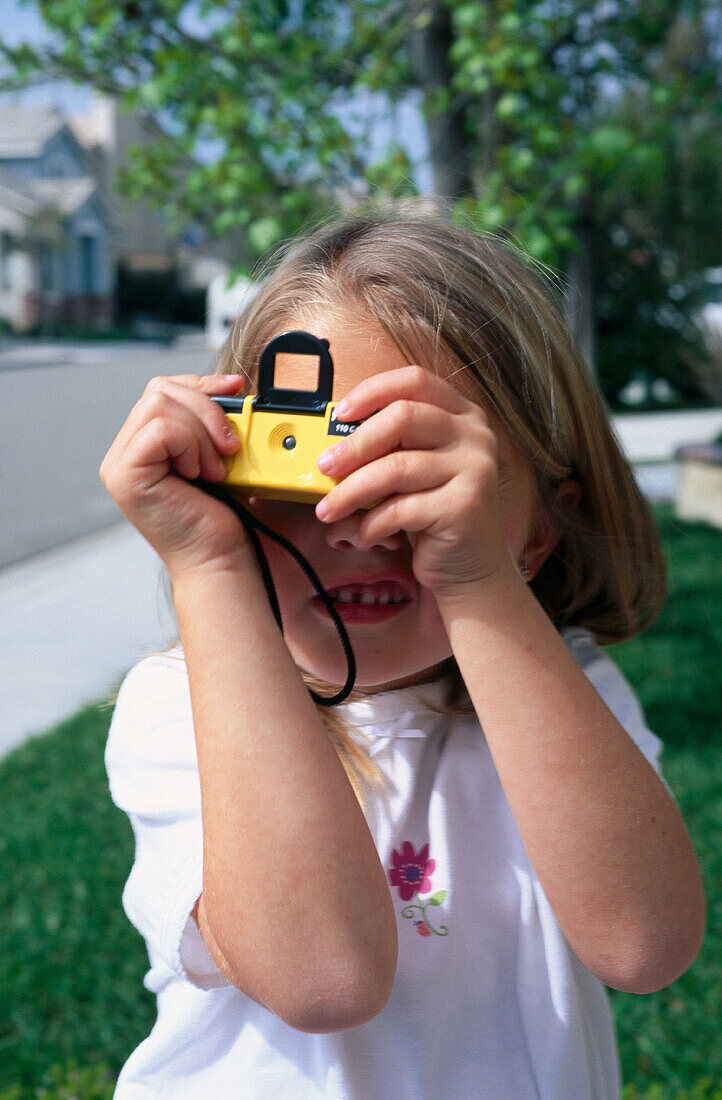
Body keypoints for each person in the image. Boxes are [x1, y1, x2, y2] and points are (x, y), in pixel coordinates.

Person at [100, 208, 704, 1099]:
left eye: (412, 482)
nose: (351, 528)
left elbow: (645, 947)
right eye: (295, 477)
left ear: (538, 529)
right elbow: (324, 978)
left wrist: (478, 585)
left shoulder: (563, 687)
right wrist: (209, 562)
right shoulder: (178, 706)